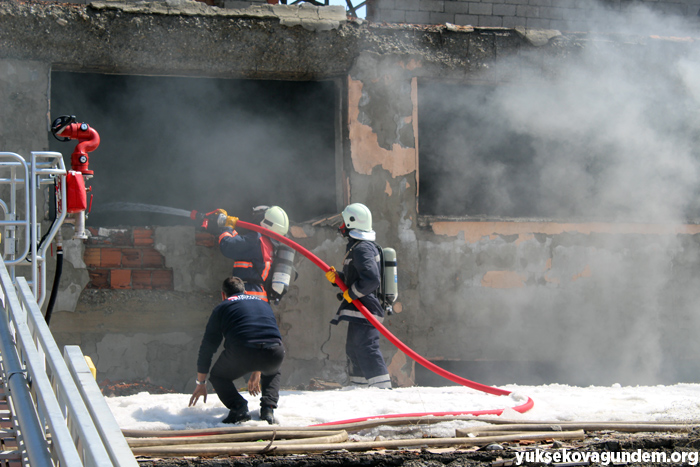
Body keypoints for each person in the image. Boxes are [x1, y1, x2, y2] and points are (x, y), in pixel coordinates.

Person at [189, 276, 285, 424]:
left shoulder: (222, 307)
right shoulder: (262, 303)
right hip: (275, 351)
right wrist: (258, 369)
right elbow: (263, 337)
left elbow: (208, 347)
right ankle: (268, 409)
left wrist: (201, 383)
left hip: (242, 351)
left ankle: (239, 407)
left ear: (223, 295)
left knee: (218, 376)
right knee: (273, 371)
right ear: (245, 291)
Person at [325, 203, 392, 389]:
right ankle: (359, 388)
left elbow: (371, 280)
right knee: (354, 350)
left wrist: (351, 293)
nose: (341, 228)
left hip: (366, 308)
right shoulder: (357, 247)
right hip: (358, 309)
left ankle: (383, 391)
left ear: (351, 224)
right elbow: (355, 277)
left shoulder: (362, 249)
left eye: (343, 224)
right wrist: (337, 278)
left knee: (366, 348)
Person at [208, 206, 291, 303]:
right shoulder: (269, 245)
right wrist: (232, 230)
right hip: (260, 299)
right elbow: (240, 244)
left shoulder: (256, 239)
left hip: (247, 296)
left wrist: (227, 227)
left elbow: (228, 246)